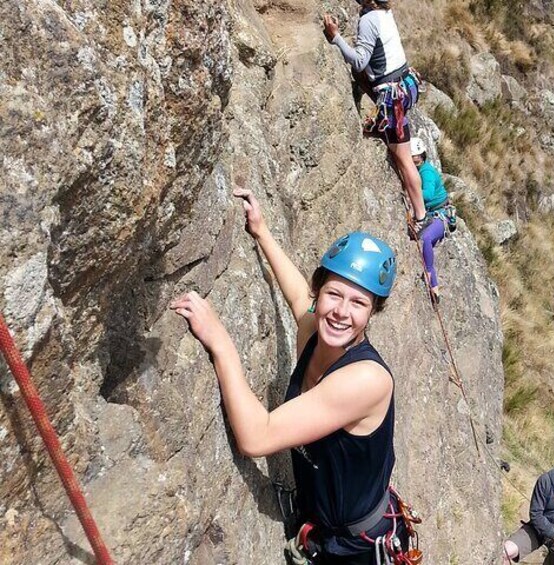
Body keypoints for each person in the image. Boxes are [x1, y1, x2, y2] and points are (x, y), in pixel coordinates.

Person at [171, 189, 412, 564]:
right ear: (320, 291)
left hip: (356, 548)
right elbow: (299, 297)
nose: (341, 313)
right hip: (325, 525)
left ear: (373, 312)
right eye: (334, 294)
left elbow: (256, 437)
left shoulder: (367, 379)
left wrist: (221, 343)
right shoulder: (314, 331)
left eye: (358, 303)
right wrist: (262, 231)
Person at [322, 0, 427, 234]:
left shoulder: (369, 20)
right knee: (401, 151)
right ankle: (383, 128)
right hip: (404, 85)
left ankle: (421, 215)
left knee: (403, 159)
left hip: (392, 96)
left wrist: (335, 37)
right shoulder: (384, 13)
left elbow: (360, 61)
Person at [410, 137, 452, 304]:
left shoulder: (426, 172)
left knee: (426, 239)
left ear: (422, 156)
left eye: (417, 158)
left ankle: (428, 275)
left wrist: (410, 189)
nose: (416, 160)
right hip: (433, 214)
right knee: (424, 241)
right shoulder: (421, 169)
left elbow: (427, 195)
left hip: (441, 215)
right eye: (414, 158)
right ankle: (434, 287)